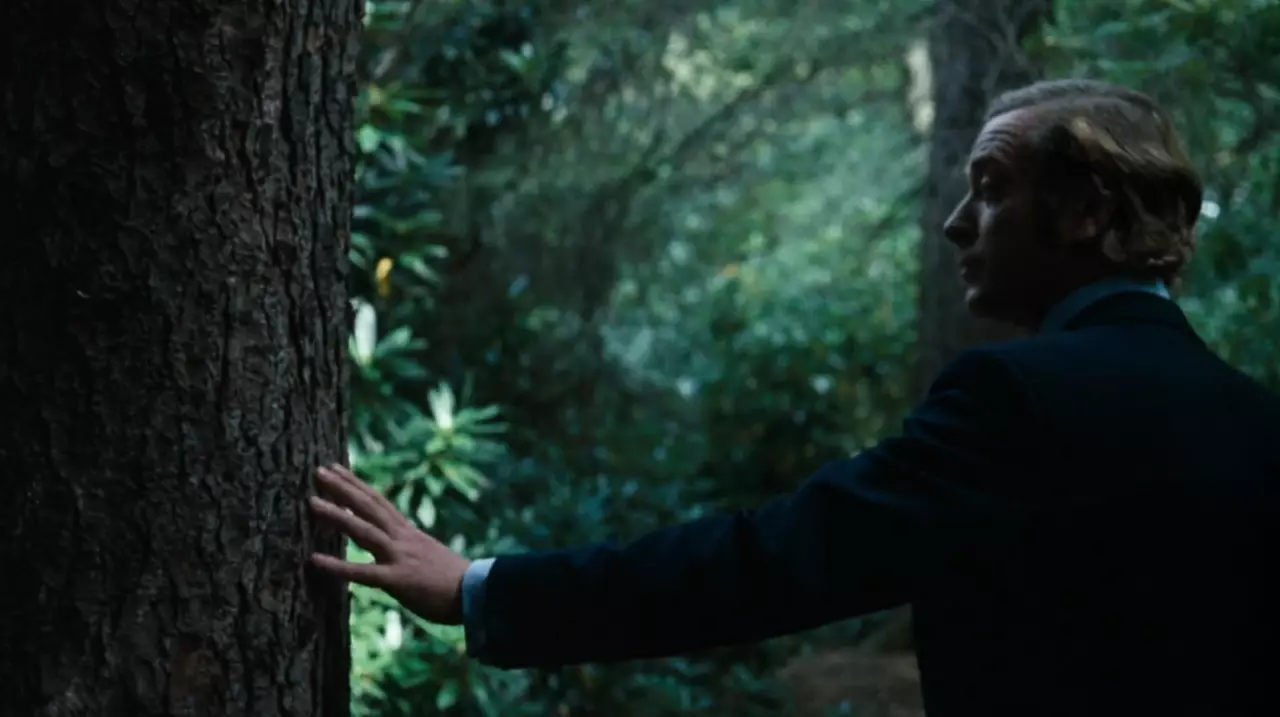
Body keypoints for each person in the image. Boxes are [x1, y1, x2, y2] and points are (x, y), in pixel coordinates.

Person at [308, 80, 1279, 715]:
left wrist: (479, 587)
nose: (955, 223)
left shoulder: (1015, 399)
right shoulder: (1254, 418)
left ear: (1087, 211)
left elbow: (774, 560)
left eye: (988, 187)